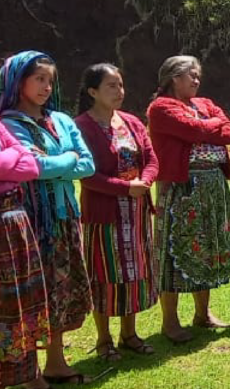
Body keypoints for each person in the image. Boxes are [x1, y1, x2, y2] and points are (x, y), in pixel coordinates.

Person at [0, 51, 96, 385]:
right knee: (36, 292)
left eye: (50, 80)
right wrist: (66, 161)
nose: (46, 86)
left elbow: (89, 164)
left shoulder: (62, 121)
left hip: (65, 216)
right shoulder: (8, 124)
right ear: (17, 80)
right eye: (39, 78)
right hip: (34, 219)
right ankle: (30, 370)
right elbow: (30, 169)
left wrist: (56, 163)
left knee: (62, 289)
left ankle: (56, 361)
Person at [147, 55, 230, 344]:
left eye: (198, 75)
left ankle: (202, 313)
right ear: (174, 78)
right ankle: (170, 321)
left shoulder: (203, 104)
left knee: (209, 247)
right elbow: (195, 130)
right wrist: (210, 126)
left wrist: (207, 126)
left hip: (211, 186)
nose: (197, 80)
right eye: (191, 75)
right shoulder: (161, 108)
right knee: (174, 252)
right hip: (182, 189)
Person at [74, 64, 159, 361]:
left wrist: (144, 182)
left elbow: (151, 159)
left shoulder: (132, 123)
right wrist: (124, 188)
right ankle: (103, 339)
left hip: (135, 213)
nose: (119, 91)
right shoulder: (82, 127)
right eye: (111, 86)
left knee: (134, 272)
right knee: (105, 272)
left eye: (121, 85)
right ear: (92, 91)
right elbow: (86, 174)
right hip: (105, 214)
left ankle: (129, 333)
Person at [0, 57, 50, 389]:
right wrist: (7, 164)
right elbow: (11, 161)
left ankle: (27, 376)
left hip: (13, 229)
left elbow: (30, 165)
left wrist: (1, 165)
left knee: (18, 305)